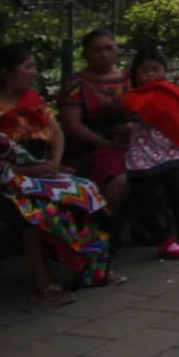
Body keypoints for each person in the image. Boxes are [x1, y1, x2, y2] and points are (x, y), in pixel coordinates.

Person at [0, 44, 120, 305]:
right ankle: (43, 285)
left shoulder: (32, 100)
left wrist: (54, 163)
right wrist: (25, 170)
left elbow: (55, 132)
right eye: (28, 67)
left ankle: (92, 270)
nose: (34, 73)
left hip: (37, 175)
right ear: (6, 72)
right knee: (35, 208)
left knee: (86, 191)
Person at [122, 52, 179, 260]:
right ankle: (164, 240)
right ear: (135, 75)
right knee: (146, 197)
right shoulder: (132, 96)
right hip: (143, 152)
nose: (150, 75)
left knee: (177, 191)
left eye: (155, 69)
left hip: (168, 148)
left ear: (164, 70)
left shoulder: (171, 91)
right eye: (144, 71)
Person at [57, 29, 132, 218]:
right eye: (97, 50)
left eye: (109, 48)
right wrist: (110, 145)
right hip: (92, 148)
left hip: (132, 141)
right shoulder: (75, 84)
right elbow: (73, 127)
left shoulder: (131, 79)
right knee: (121, 180)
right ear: (85, 55)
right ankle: (106, 225)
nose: (104, 55)